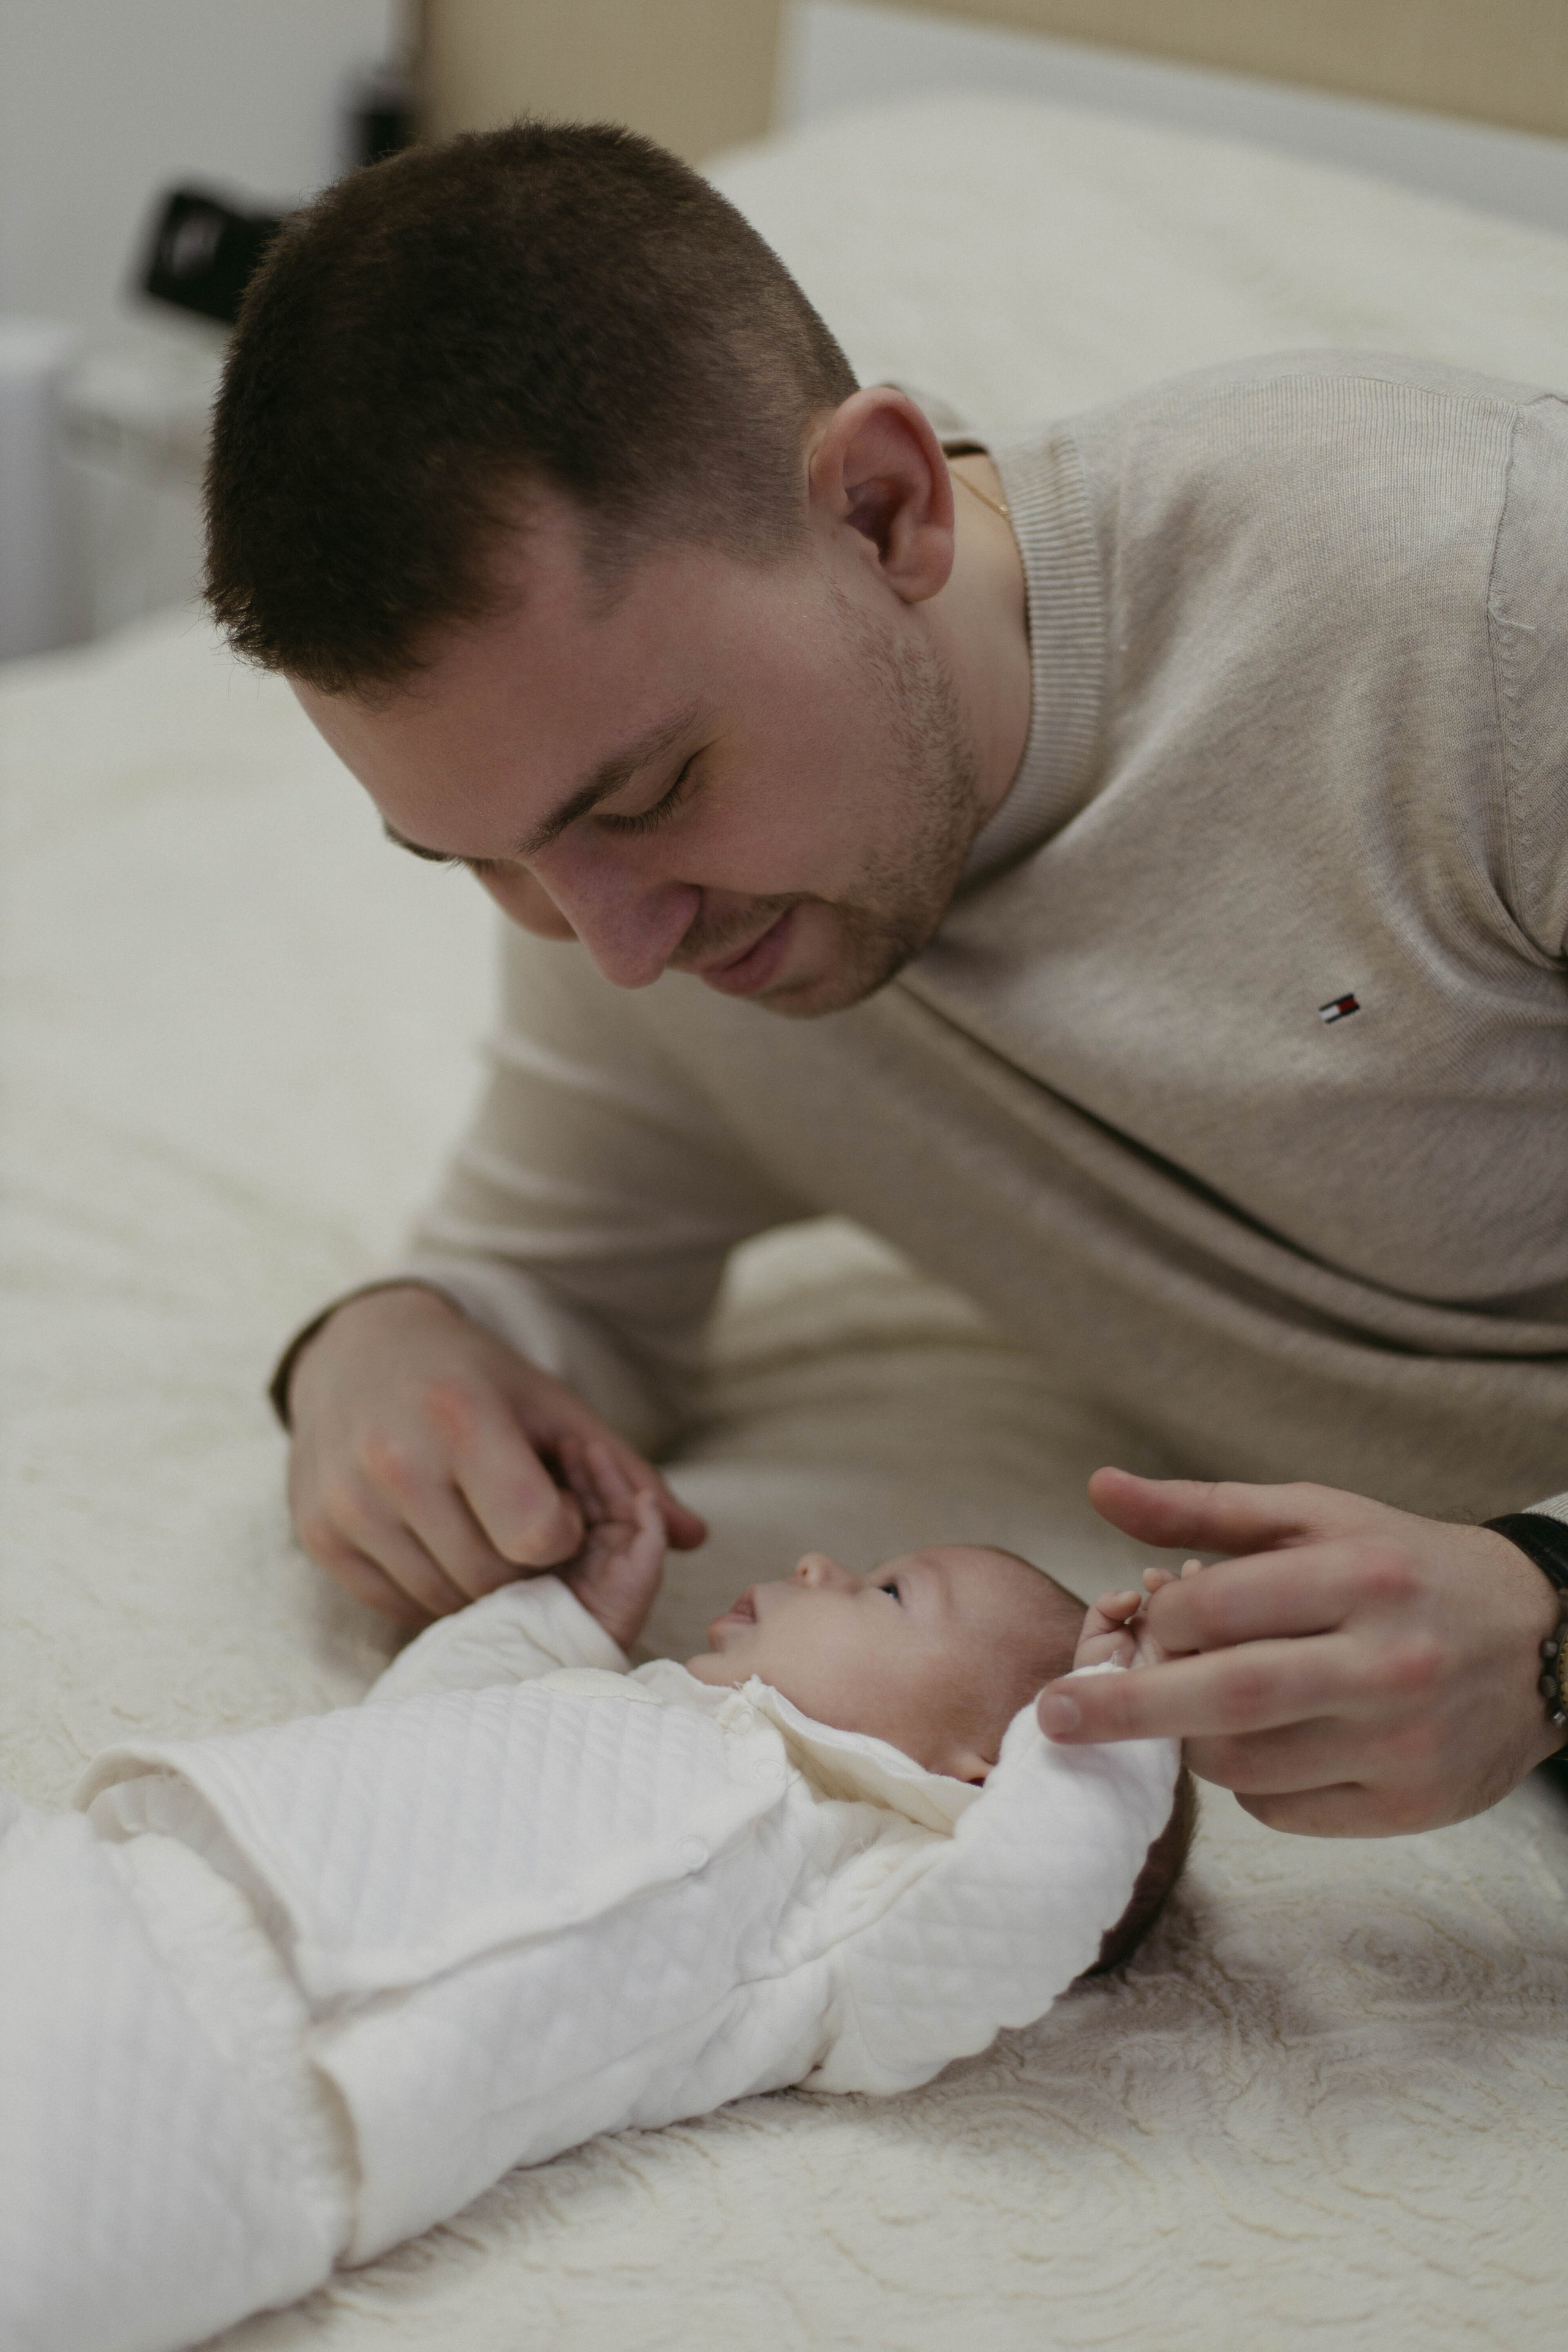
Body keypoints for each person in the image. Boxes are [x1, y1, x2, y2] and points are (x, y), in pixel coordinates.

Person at [202, 121, 1568, 1842]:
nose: (616, 946)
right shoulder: (634, 912)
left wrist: (1554, 1615)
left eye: (646, 795)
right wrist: (378, 1350)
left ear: (885, 505)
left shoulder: (1489, 611)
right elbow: (549, 1290)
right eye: (482, 858)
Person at [1, 1444, 1185, 2352]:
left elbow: (1029, 1895)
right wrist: (570, 1611)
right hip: (126, 1877)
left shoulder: (850, 1897)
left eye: (886, 1596)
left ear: (990, 1770)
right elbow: (442, 1707)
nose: (823, 1565)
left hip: (252, 2080)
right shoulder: (629, 1700)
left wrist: (1115, 1729)